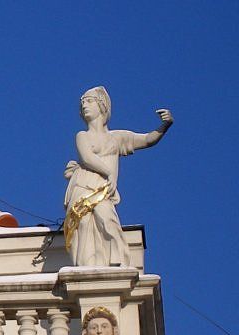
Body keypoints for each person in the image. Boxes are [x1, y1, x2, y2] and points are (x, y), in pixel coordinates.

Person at [63, 87, 172, 267]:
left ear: (102, 105)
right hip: (84, 185)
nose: (84, 105)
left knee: (108, 221)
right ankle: (86, 266)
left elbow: (147, 140)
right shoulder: (82, 136)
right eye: (82, 102)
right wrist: (109, 173)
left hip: (103, 191)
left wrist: (165, 125)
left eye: (89, 101)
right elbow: (87, 158)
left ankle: (116, 262)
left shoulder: (117, 138)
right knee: (82, 226)